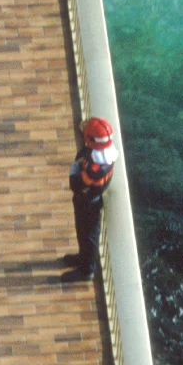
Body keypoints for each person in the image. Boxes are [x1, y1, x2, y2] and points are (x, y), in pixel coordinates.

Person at [64, 116, 118, 280]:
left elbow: (77, 184)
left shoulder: (95, 169)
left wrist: (74, 169)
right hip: (89, 201)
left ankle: (87, 269)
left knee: (88, 236)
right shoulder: (105, 157)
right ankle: (83, 259)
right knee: (83, 234)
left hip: (88, 204)